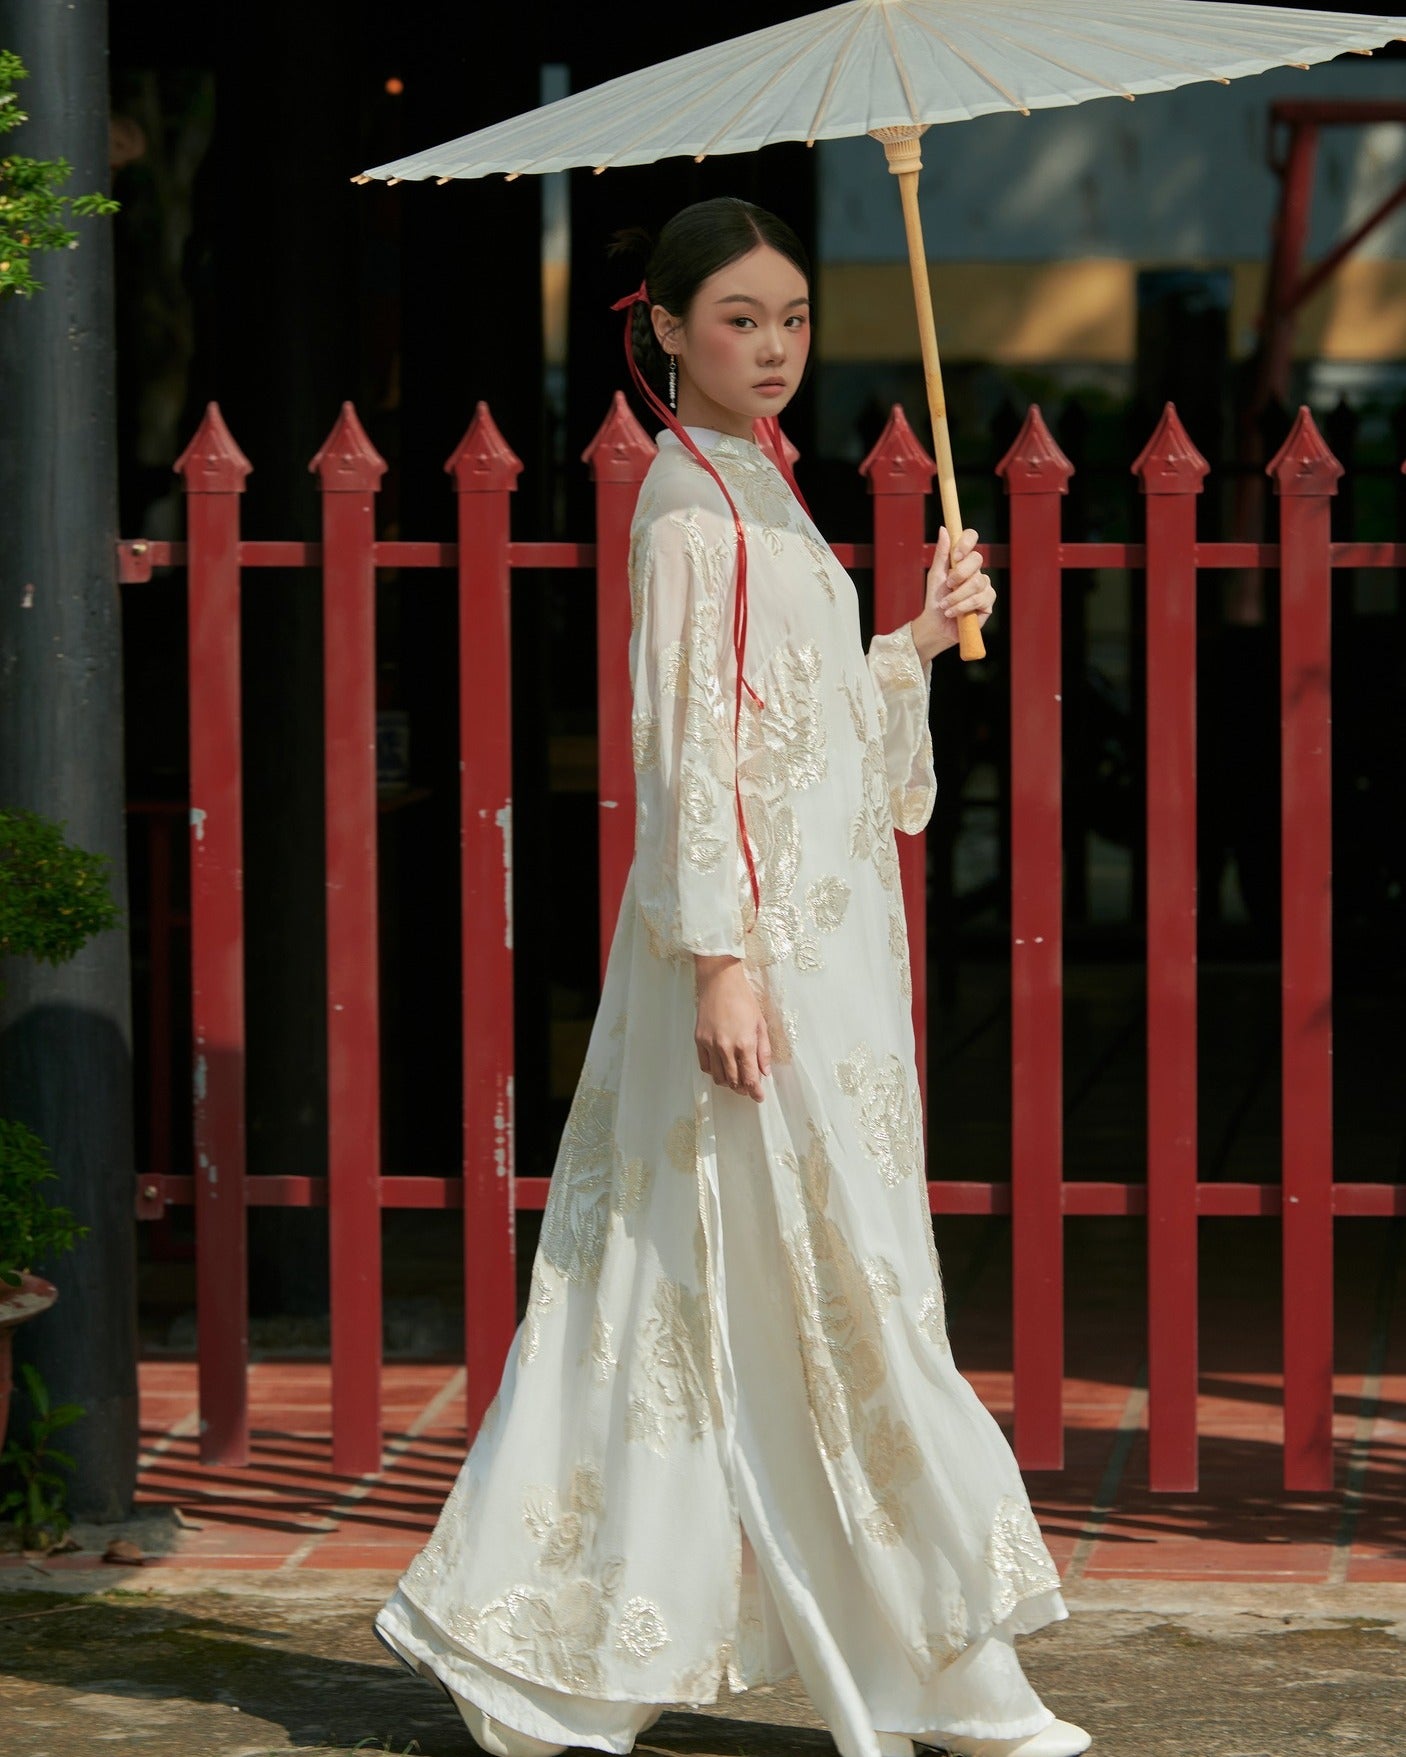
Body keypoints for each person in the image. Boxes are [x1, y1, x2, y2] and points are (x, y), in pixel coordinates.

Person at [374, 197, 1090, 1757]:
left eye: (790, 321)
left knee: (720, 1280)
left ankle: (558, 1652)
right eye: (736, 321)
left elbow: (814, 731)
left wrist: (910, 636)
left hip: (825, 947)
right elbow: (689, 756)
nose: (769, 349)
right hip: (751, 955)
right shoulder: (689, 509)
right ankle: (938, 1667)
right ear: (665, 334)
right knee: (813, 1283)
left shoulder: (762, 484)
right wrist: (718, 964)